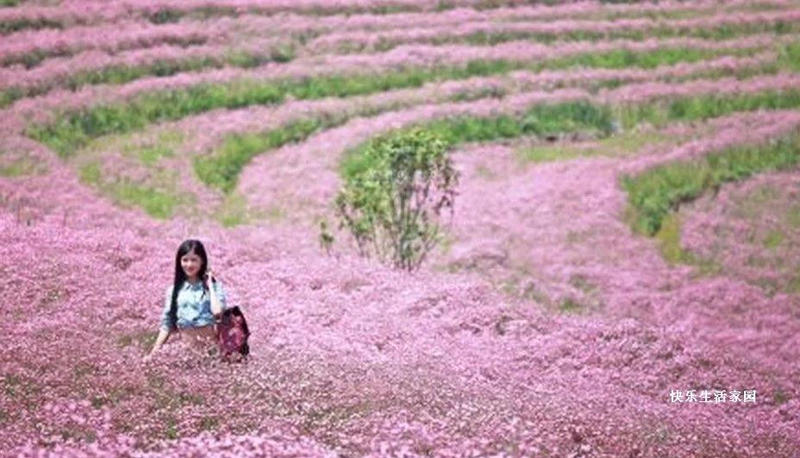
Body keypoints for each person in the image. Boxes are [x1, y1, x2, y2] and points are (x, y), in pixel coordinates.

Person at [143, 239, 228, 362]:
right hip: (188, 357)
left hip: (213, 355)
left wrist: (210, 284)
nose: (189, 264)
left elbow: (217, 312)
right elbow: (167, 324)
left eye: (194, 260)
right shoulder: (173, 291)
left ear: (202, 261)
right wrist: (153, 353)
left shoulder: (214, 287)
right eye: (185, 260)